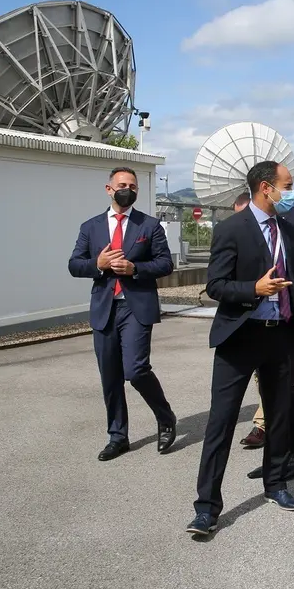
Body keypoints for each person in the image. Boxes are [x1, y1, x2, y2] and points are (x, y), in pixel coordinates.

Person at [187, 161, 294, 536]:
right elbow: (216, 285)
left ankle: (275, 485)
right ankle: (207, 507)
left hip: (281, 336)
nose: (290, 192)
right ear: (265, 187)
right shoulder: (232, 229)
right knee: (221, 422)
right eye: (286, 186)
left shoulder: (288, 229)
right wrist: (253, 289)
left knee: (278, 417)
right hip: (240, 337)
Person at [69, 167, 178, 461]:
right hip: (105, 308)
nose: (127, 190)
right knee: (110, 376)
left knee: (135, 369)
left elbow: (166, 264)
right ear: (109, 189)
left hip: (135, 307)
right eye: (121, 185)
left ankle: (165, 417)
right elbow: (74, 265)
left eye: (132, 186)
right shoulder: (90, 227)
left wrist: (135, 268)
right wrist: (99, 263)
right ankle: (118, 437)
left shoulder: (149, 226)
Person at [239, 196, 294, 456]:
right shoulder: (248, 225)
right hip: (257, 317)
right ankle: (278, 453)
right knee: (266, 380)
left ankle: (290, 451)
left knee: (283, 383)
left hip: (291, 318)